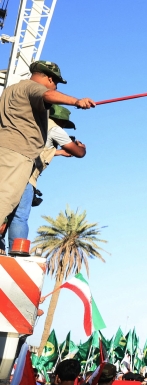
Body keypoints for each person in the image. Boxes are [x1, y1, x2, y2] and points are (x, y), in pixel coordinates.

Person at [0, 60, 94, 228]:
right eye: (56, 83)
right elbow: (47, 95)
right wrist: (77, 101)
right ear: (50, 79)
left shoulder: (10, 90)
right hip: (17, 153)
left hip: (5, 149)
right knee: (5, 200)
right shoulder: (33, 87)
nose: (56, 87)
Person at [1, 104, 87, 254]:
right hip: (25, 176)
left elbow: (37, 149)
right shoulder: (55, 128)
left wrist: (59, 153)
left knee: (4, 210)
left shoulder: (33, 125)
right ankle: (17, 252)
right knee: (19, 216)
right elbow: (78, 152)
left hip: (7, 169)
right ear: (61, 121)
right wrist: (81, 148)